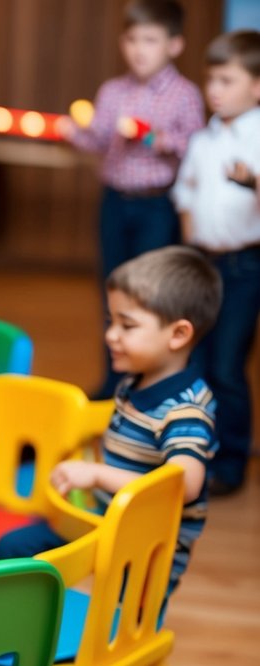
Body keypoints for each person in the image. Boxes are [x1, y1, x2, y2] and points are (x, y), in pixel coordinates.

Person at [0, 247, 220, 600]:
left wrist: (98, 475)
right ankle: (13, 641)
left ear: (178, 335)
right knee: (13, 549)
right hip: (102, 521)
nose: (111, 335)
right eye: (111, 321)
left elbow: (184, 484)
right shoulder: (137, 380)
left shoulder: (186, 411)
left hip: (146, 550)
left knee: (119, 620)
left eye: (127, 325)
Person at [59, 0, 204, 399]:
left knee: (149, 297)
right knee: (113, 289)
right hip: (113, 202)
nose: (139, 49)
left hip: (157, 207)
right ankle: (114, 381)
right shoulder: (112, 91)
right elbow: (100, 140)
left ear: (174, 45)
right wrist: (73, 131)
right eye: (132, 39)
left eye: (151, 40)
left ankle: (148, 384)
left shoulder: (185, 94)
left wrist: (152, 136)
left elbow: (195, 147)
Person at [172, 30, 260, 496]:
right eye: (211, 79)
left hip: (244, 267)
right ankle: (196, 457)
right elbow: (184, 189)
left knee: (227, 365)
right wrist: (189, 236)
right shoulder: (205, 137)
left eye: (227, 80)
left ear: (257, 86)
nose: (215, 90)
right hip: (201, 261)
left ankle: (231, 464)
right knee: (197, 362)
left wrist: (254, 181)